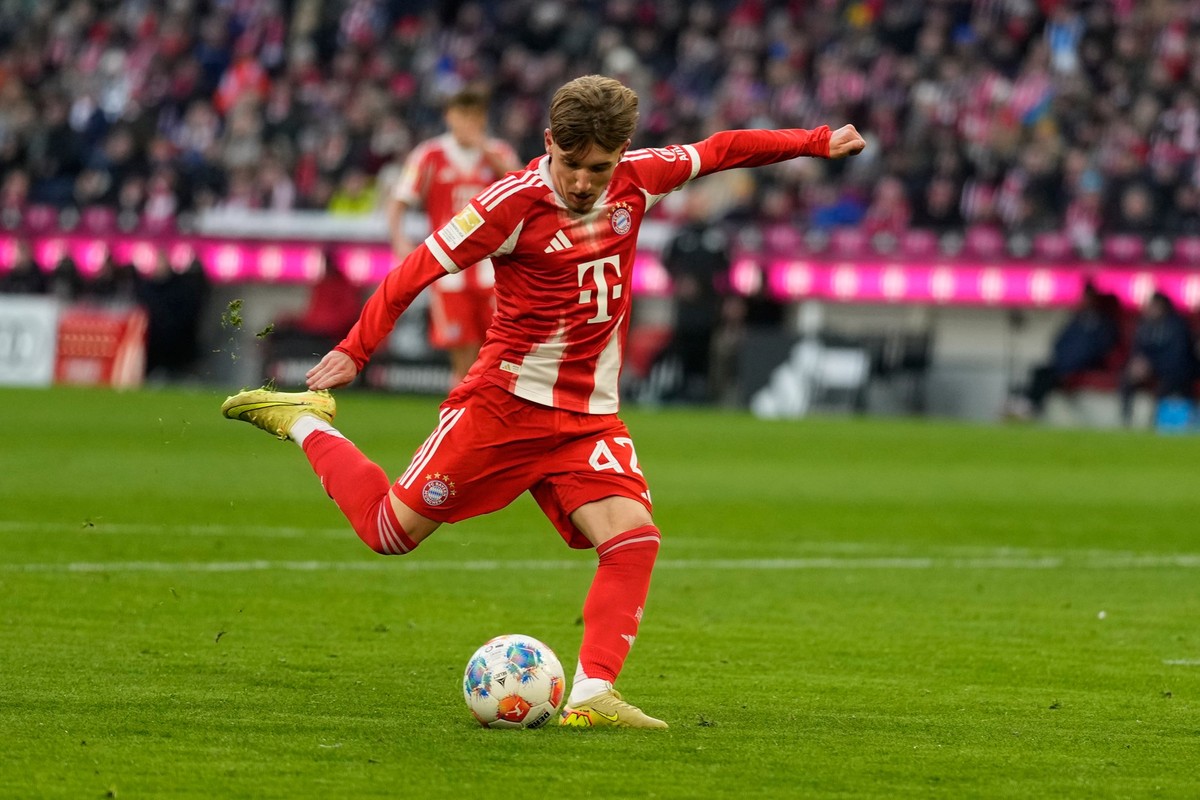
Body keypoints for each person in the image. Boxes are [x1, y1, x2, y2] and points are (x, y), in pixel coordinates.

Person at [222, 75, 865, 728]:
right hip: (502, 407)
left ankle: (591, 694)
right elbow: (416, 268)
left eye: (599, 168)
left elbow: (723, 148)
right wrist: (356, 351)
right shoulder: (509, 204)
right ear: (548, 142)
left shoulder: (638, 178)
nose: (585, 183)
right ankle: (304, 421)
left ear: (621, 154)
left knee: (634, 537)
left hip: (587, 416)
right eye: (572, 165)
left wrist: (815, 141)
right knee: (389, 533)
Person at [386, 88, 521, 386]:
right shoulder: (430, 155)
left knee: (500, 349)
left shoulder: (499, 153)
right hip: (450, 272)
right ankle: (461, 415)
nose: (468, 123)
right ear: (449, 116)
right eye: (462, 115)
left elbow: (524, 188)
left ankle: (484, 414)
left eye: (475, 116)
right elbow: (399, 200)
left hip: (493, 270)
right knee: (463, 355)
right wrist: (399, 240)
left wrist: (485, 150)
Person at [1012, 281, 1121, 419]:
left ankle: (1030, 407)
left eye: (1087, 297)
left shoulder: (1102, 322)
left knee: (1047, 376)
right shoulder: (1077, 319)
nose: (1083, 301)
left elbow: (1100, 348)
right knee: (1039, 371)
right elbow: (1059, 342)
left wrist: (1073, 363)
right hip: (1064, 364)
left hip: (1083, 365)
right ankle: (1029, 404)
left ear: (1093, 299)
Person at [1119, 291, 1197, 425]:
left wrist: (1152, 365)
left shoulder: (1177, 326)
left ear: (1162, 306)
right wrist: (1139, 363)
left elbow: (1178, 356)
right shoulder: (1145, 325)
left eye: (1153, 305)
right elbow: (1138, 349)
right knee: (1127, 377)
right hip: (1153, 369)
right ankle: (1126, 419)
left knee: (1166, 385)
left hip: (1176, 371)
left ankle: (1155, 422)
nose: (1150, 309)